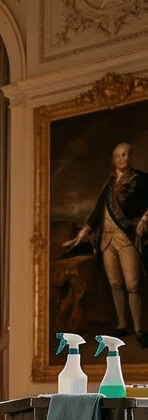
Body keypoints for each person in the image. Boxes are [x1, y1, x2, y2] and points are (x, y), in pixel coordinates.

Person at [64, 142, 148, 346]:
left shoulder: (142, 179)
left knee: (133, 285)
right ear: (115, 159)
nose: (124, 158)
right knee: (116, 285)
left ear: (131, 157)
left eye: (127, 155)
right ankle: (122, 325)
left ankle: (138, 329)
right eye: (120, 155)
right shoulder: (109, 184)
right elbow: (97, 212)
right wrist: (84, 232)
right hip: (106, 240)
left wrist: (145, 219)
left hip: (126, 238)